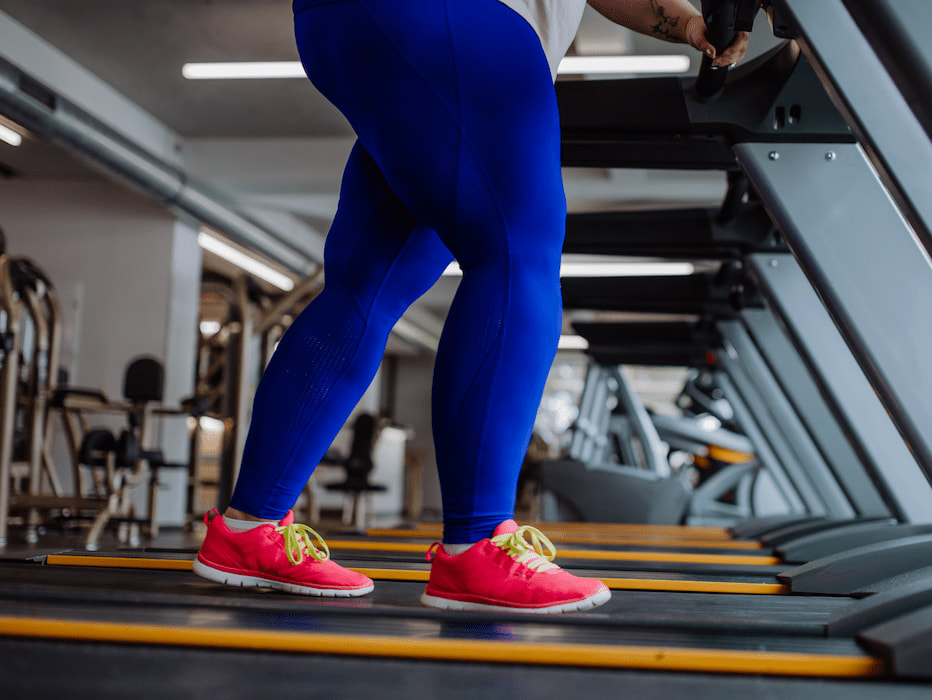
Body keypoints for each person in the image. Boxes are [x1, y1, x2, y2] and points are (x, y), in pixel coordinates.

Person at [191, 0, 749, 613]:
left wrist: (691, 24)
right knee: (519, 251)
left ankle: (248, 529)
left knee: (366, 286)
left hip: (354, 24)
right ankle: (477, 546)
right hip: (457, 20)